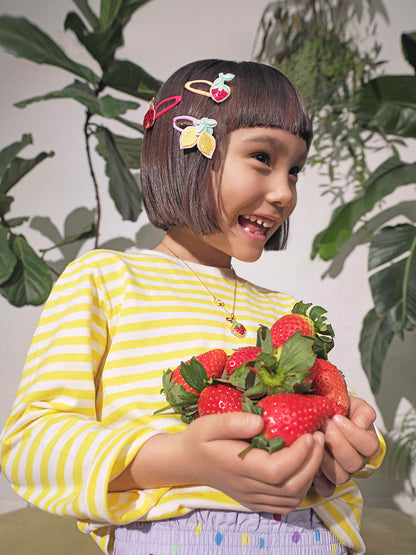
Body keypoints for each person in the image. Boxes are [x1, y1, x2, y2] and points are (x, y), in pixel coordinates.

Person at [0, 59, 385, 555]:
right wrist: (184, 459)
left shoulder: (291, 313)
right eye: (263, 157)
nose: (284, 192)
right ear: (190, 152)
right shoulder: (105, 279)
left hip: (313, 536)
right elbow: (32, 447)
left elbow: (331, 434)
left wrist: (351, 447)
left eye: (295, 171)